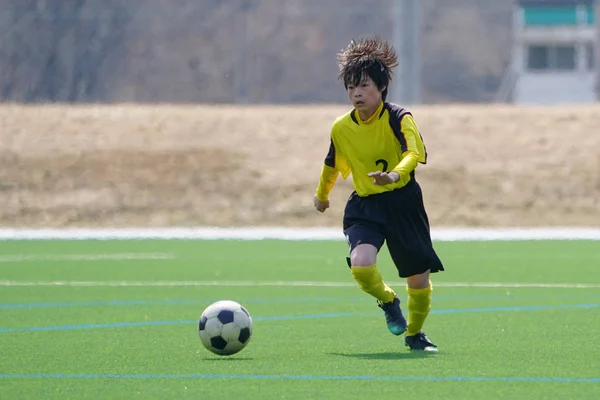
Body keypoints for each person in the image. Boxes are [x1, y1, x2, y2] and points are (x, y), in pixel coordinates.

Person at [313, 36, 444, 352]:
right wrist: (322, 195)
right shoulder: (341, 127)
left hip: (403, 203)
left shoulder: (400, 117)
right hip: (365, 205)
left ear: (382, 87)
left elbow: (415, 152)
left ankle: (415, 334)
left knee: (418, 279)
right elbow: (332, 163)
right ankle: (388, 300)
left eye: (364, 86)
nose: (356, 93)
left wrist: (394, 175)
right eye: (351, 87)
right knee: (360, 262)